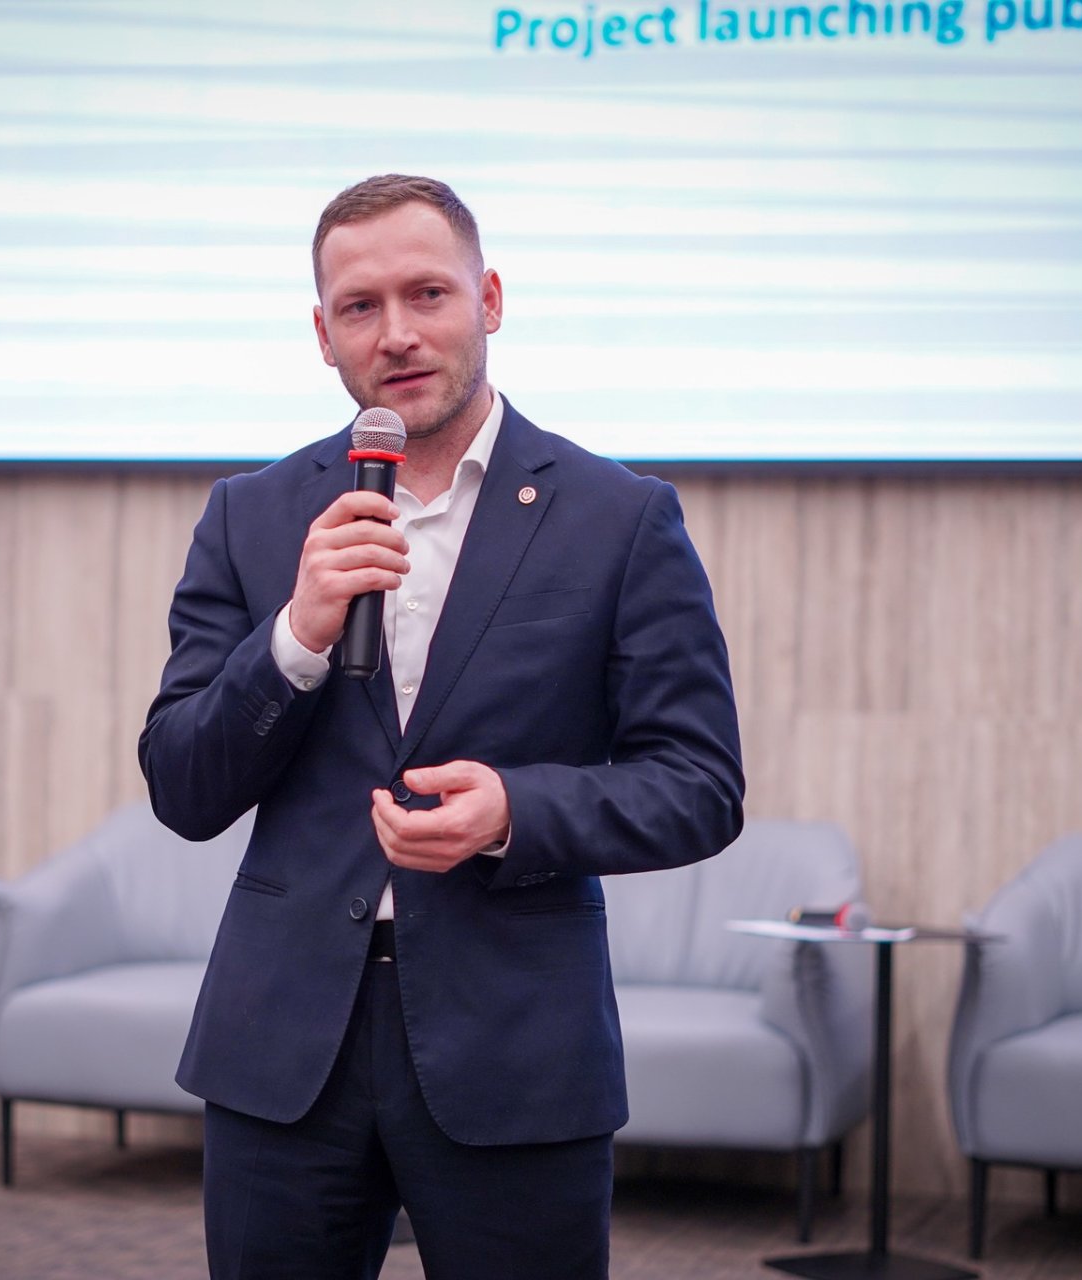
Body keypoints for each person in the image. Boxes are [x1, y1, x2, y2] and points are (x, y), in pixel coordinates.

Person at [139, 174, 744, 1280]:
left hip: (515, 1045)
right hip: (282, 1047)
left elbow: (699, 784)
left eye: (428, 293)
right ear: (323, 335)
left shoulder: (619, 517)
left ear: (490, 299)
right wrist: (295, 636)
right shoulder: (252, 515)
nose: (398, 334)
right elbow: (182, 786)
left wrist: (515, 810)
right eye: (360, 307)